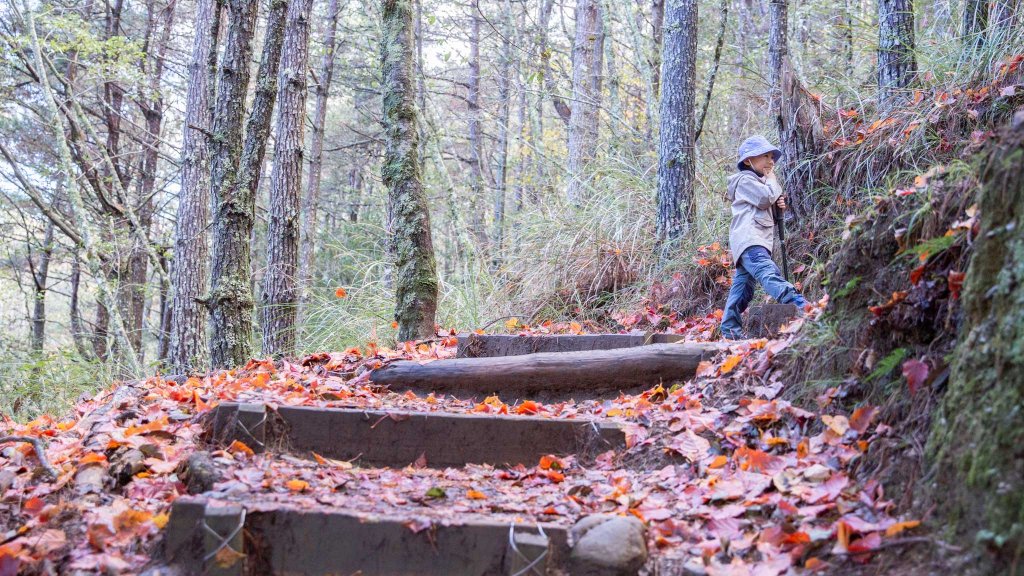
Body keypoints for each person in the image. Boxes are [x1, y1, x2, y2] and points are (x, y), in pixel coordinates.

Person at [720, 135, 807, 340]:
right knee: (768, 272)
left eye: (772, 157)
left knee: (743, 288)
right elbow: (763, 198)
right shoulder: (744, 180)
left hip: (754, 240)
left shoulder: (760, 182)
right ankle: (797, 302)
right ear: (749, 161)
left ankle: (729, 330)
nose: (771, 161)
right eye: (765, 156)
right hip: (750, 240)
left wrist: (779, 208)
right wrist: (772, 184)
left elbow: (767, 207)